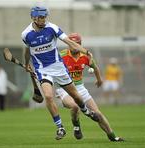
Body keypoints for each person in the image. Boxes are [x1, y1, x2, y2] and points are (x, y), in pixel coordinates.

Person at [21, 6, 98, 140]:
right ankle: (60, 127)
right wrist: (27, 63)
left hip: (59, 68)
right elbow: (28, 50)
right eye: (41, 17)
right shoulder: (26, 34)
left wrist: (85, 51)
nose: (44, 19)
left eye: (45, 17)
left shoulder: (52, 28)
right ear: (34, 18)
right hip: (42, 70)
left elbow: (69, 42)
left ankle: (86, 111)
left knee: (76, 96)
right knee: (49, 97)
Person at [55, 33, 124, 141]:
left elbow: (95, 68)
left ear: (80, 44)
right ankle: (77, 126)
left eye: (76, 44)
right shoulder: (61, 55)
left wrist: (99, 79)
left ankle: (113, 137)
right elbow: (50, 67)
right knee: (75, 106)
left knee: (98, 114)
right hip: (64, 88)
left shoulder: (86, 56)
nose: (73, 46)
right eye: (71, 44)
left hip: (79, 88)